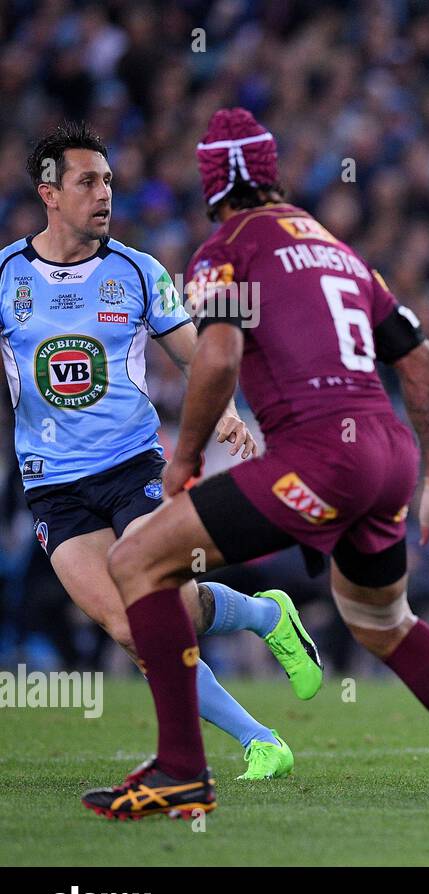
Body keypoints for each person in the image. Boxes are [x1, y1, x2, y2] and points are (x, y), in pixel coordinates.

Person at [81, 108, 429, 819]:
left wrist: (182, 460)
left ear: (211, 182)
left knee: (138, 560)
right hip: (388, 455)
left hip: (320, 454)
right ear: (271, 172)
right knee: (383, 622)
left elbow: (220, 354)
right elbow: (419, 358)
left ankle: (180, 769)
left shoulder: (226, 246)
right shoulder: (336, 248)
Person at [2, 120, 322, 782]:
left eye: (109, 181)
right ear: (50, 193)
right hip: (52, 485)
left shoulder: (139, 271)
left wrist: (229, 411)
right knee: (130, 629)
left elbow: (197, 354)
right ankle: (263, 678)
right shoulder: (6, 276)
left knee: (160, 607)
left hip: (132, 469)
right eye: (87, 181)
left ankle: (261, 683)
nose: (103, 194)